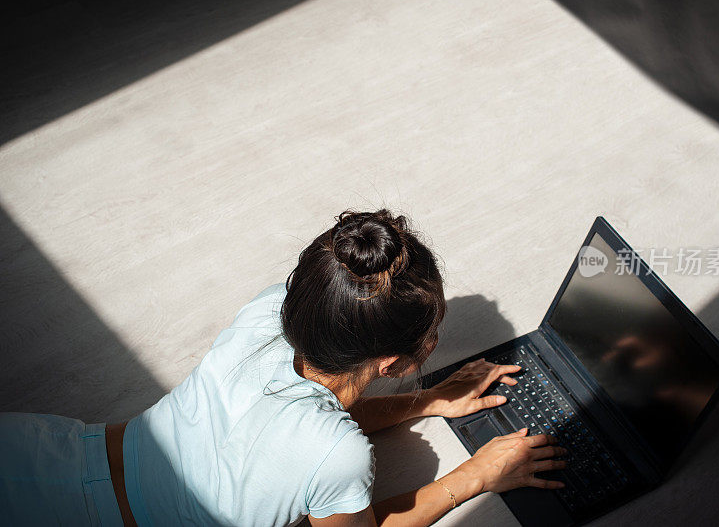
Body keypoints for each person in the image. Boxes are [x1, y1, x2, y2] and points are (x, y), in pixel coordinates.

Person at [0, 209, 567, 526]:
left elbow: (290, 434)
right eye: (433, 332)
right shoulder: (335, 454)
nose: (438, 341)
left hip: (43, 452)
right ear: (391, 362)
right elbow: (320, 455)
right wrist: (478, 476)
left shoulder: (271, 308)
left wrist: (429, 400)